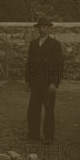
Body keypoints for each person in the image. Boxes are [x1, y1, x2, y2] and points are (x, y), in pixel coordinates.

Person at [25, 16, 63, 144]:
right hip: (35, 83)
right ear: (38, 29)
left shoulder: (55, 44)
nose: (43, 30)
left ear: (49, 29)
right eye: (40, 27)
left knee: (49, 110)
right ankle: (33, 135)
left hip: (48, 84)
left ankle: (48, 137)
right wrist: (27, 81)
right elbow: (29, 63)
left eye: (45, 27)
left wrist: (54, 82)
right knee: (33, 110)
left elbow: (58, 65)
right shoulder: (33, 44)